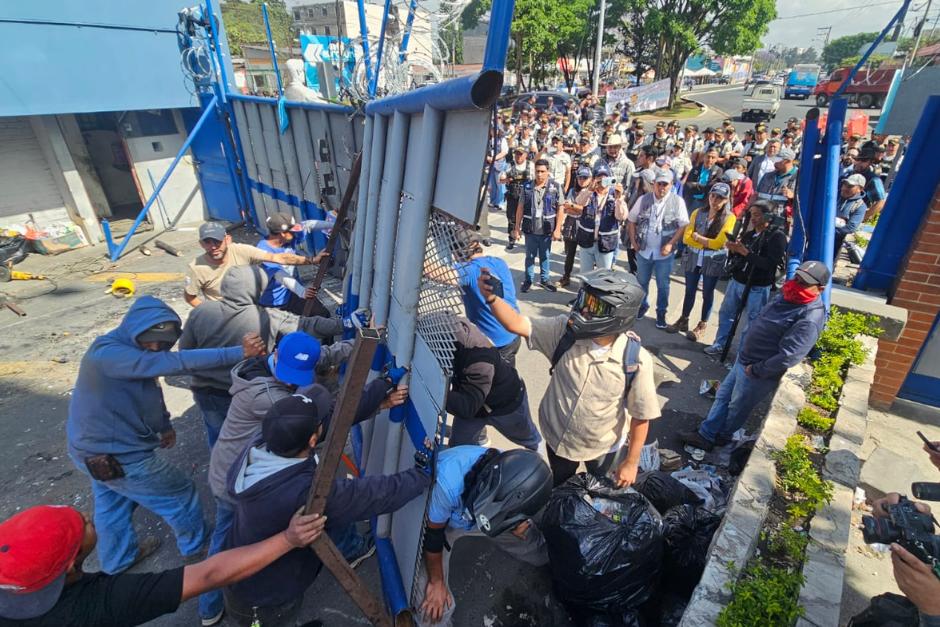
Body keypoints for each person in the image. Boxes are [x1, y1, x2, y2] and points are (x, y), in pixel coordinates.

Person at [65, 296, 266, 578]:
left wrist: (164, 425)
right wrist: (239, 352)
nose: (155, 348)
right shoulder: (107, 354)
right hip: (118, 455)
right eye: (150, 341)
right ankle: (199, 547)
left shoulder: (129, 357)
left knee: (113, 504)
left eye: (161, 344)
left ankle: (118, 560)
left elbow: (150, 389)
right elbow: (178, 362)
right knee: (179, 493)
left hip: (94, 452)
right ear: (135, 329)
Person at [223, 392, 428, 626]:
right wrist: (421, 475)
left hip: (242, 572)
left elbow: (333, 419)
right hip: (263, 600)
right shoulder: (302, 493)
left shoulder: (266, 441)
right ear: (312, 440)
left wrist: (380, 393)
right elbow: (372, 495)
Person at [201, 330, 355, 625]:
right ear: (274, 355)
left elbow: (324, 354)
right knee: (231, 542)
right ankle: (218, 602)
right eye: (287, 373)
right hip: (235, 479)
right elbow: (309, 426)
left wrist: (359, 339)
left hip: (233, 466)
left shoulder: (268, 361)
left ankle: (210, 605)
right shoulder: (270, 398)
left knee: (228, 536)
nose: (289, 379)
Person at [0, 504, 325, 627]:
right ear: (70, 565)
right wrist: (288, 539)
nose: (87, 515)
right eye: (83, 525)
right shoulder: (101, 603)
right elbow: (210, 574)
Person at [478, 269, 661, 487]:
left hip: (604, 447)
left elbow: (641, 415)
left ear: (618, 316)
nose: (583, 309)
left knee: (602, 491)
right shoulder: (563, 331)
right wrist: (491, 298)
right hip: (559, 439)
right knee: (561, 486)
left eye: (595, 306)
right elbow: (517, 324)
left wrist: (631, 463)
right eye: (584, 299)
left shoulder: (635, 359)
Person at [179, 265, 343, 448]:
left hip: (206, 392)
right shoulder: (264, 316)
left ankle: (222, 471)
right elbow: (307, 325)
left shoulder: (201, 312)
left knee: (220, 440)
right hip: (249, 389)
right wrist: (344, 324)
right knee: (254, 440)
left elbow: (185, 354)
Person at [680, 260, 829, 450]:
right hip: (744, 359)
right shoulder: (788, 295)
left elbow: (789, 356)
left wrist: (757, 369)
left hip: (757, 371)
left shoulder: (809, 318)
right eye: (797, 277)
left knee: (737, 407)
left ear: (820, 289)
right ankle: (707, 432)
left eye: (804, 283)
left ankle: (720, 437)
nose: (796, 283)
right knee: (723, 397)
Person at [415, 447, 552, 626]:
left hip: (484, 519)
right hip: (442, 524)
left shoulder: (523, 479)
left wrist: (517, 524)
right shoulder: (447, 482)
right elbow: (432, 536)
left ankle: (553, 563)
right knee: (435, 608)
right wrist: (437, 581)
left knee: (536, 546)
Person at [704, 200, 788, 356]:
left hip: (758, 286)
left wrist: (746, 253)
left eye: (757, 215)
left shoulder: (777, 237)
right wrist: (734, 249)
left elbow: (769, 264)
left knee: (752, 321)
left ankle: (744, 352)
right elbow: (741, 258)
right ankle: (720, 344)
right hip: (737, 281)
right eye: (751, 215)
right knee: (726, 313)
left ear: (768, 216)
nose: (753, 218)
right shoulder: (749, 234)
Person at [447, 318, 542, 452]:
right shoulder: (449, 327)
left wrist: (437, 394)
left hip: (505, 405)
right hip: (474, 401)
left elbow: (467, 407)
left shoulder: (479, 363)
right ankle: (479, 442)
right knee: (457, 446)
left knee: (529, 438)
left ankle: (540, 456)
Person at [184, 222, 324, 307]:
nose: (213, 247)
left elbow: (278, 258)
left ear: (227, 239)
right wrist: (209, 313)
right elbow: (190, 297)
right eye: (207, 242)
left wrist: (312, 260)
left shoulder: (242, 251)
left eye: (217, 242)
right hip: (223, 317)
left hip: (249, 310)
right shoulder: (196, 268)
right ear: (201, 244)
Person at [667, 182, 736, 341]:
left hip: (713, 260)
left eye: (720, 198)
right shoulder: (698, 212)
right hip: (693, 257)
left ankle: (702, 324)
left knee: (707, 293)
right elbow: (687, 237)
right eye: (713, 196)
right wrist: (705, 241)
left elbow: (720, 242)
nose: (715, 200)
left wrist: (699, 238)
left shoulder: (729, 217)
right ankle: (684, 319)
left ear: (726, 200)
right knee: (689, 290)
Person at [627, 168, 691, 328]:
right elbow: (631, 220)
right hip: (644, 250)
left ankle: (661, 313)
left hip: (664, 253)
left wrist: (670, 243)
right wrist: (634, 241)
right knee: (642, 282)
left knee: (663, 285)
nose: (662, 187)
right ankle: (642, 306)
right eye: (659, 184)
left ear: (671, 185)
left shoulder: (678, 201)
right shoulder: (644, 199)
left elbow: (683, 225)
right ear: (654, 184)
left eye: (665, 184)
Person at [452, 230, 524, 366]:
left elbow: (440, 274)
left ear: (457, 253)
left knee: (497, 382)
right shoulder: (498, 262)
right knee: (508, 375)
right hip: (514, 331)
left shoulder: (469, 270)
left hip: (497, 343)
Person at [256, 213, 331, 316]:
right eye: (292, 231)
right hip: (275, 303)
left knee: (322, 315)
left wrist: (333, 225)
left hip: (291, 293)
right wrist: (301, 292)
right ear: (282, 234)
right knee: (291, 329)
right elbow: (280, 276)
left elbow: (307, 225)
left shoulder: (288, 237)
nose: (296, 233)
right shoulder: (263, 251)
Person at [514, 158, 561, 293]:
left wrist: (558, 229)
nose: (539, 174)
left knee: (545, 256)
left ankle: (544, 280)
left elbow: (560, 208)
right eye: (537, 171)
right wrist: (517, 227)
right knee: (529, 256)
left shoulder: (555, 187)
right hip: (530, 229)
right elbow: (520, 207)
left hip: (546, 230)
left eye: (542, 171)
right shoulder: (527, 186)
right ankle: (528, 280)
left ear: (548, 172)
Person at [574, 163, 628, 273]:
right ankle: (583, 289)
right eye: (599, 177)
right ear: (594, 179)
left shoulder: (615, 194)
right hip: (587, 240)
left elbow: (621, 216)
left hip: (606, 242)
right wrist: (589, 190)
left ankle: (600, 291)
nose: (602, 180)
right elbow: (579, 202)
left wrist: (619, 200)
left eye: (605, 177)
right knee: (585, 273)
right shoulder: (588, 192)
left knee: (603, 275)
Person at [553, 166, 592, 288]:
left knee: (589, 255)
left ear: (590, 179)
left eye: (585, 177)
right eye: (580, 177)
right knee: (569, 253)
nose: (582, 180)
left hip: (586, 226)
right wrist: (577, 208)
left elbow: (587, 211)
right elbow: (566, 207)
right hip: (571, 224)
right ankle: (566, 276)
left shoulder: (593, 192)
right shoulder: (572, 191)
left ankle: (589, 281)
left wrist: (574, 206)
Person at [499, 147, 533, 251]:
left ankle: (528, 241)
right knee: (511, 219)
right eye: (517, 154)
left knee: (528, 219)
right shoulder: (509, 165)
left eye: (521, 154)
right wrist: (508, 179)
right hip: (513, 196)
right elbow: (501, 180)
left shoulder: (530, 166)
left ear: (526, 155)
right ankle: (512, 239)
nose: (518, 156)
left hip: (527, 196)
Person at [755, 146, 798, 219]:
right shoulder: (767, 176)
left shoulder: (798, 178)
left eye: (777, 160)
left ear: (788, 161)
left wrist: (793, 196)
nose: (774, 162)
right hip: (761, 218)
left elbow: (803, 205)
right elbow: (756, 195)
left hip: (780, 221)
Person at [834, 173, 868, 257]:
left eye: (850, 186)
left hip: (835, 243)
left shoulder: (860, 206)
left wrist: (828, 231)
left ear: (860, 189)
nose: (844, 188)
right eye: (844, 184)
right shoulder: (834, 196)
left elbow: (850, 227)